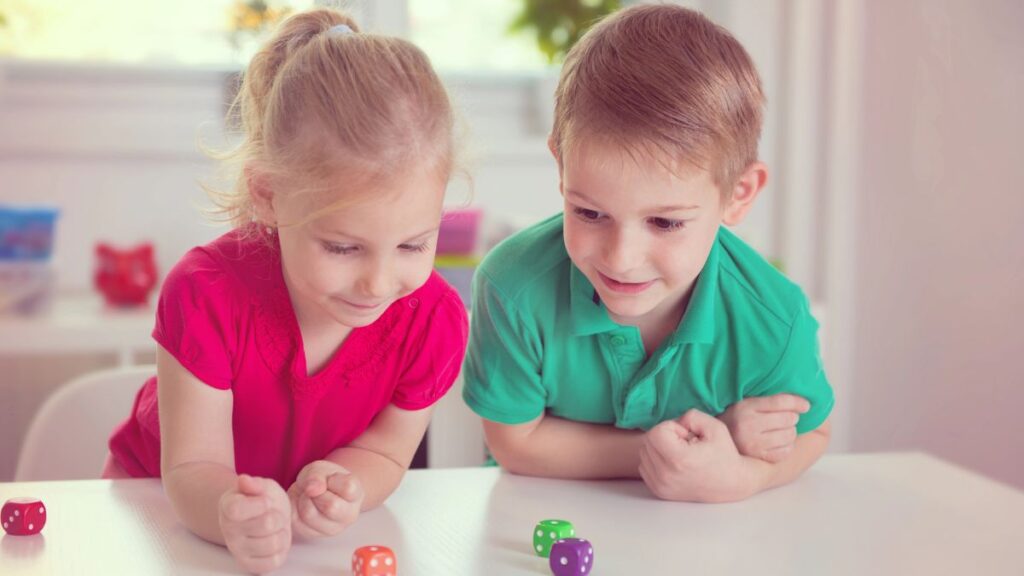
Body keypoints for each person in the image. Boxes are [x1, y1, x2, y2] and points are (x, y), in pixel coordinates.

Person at [104, 8, 467, 572]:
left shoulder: (434, 321)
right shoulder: (205, 294)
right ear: (268, 195)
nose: (378, 283)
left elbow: (386, 451)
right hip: (156, 513)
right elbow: (189, 469)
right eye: (343, 248)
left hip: (297, 543)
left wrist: (347, 485)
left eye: (414, 245)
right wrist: (228, 509)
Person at [462, 4, 833, 503]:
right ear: (561, 164)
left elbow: (812, 433)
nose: (621, 257)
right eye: (590, 213)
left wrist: (744, 475)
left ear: (739, 194)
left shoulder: (774, 319)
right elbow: (516, 443)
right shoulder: (512, 286)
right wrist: (693, 442)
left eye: (665, 222)